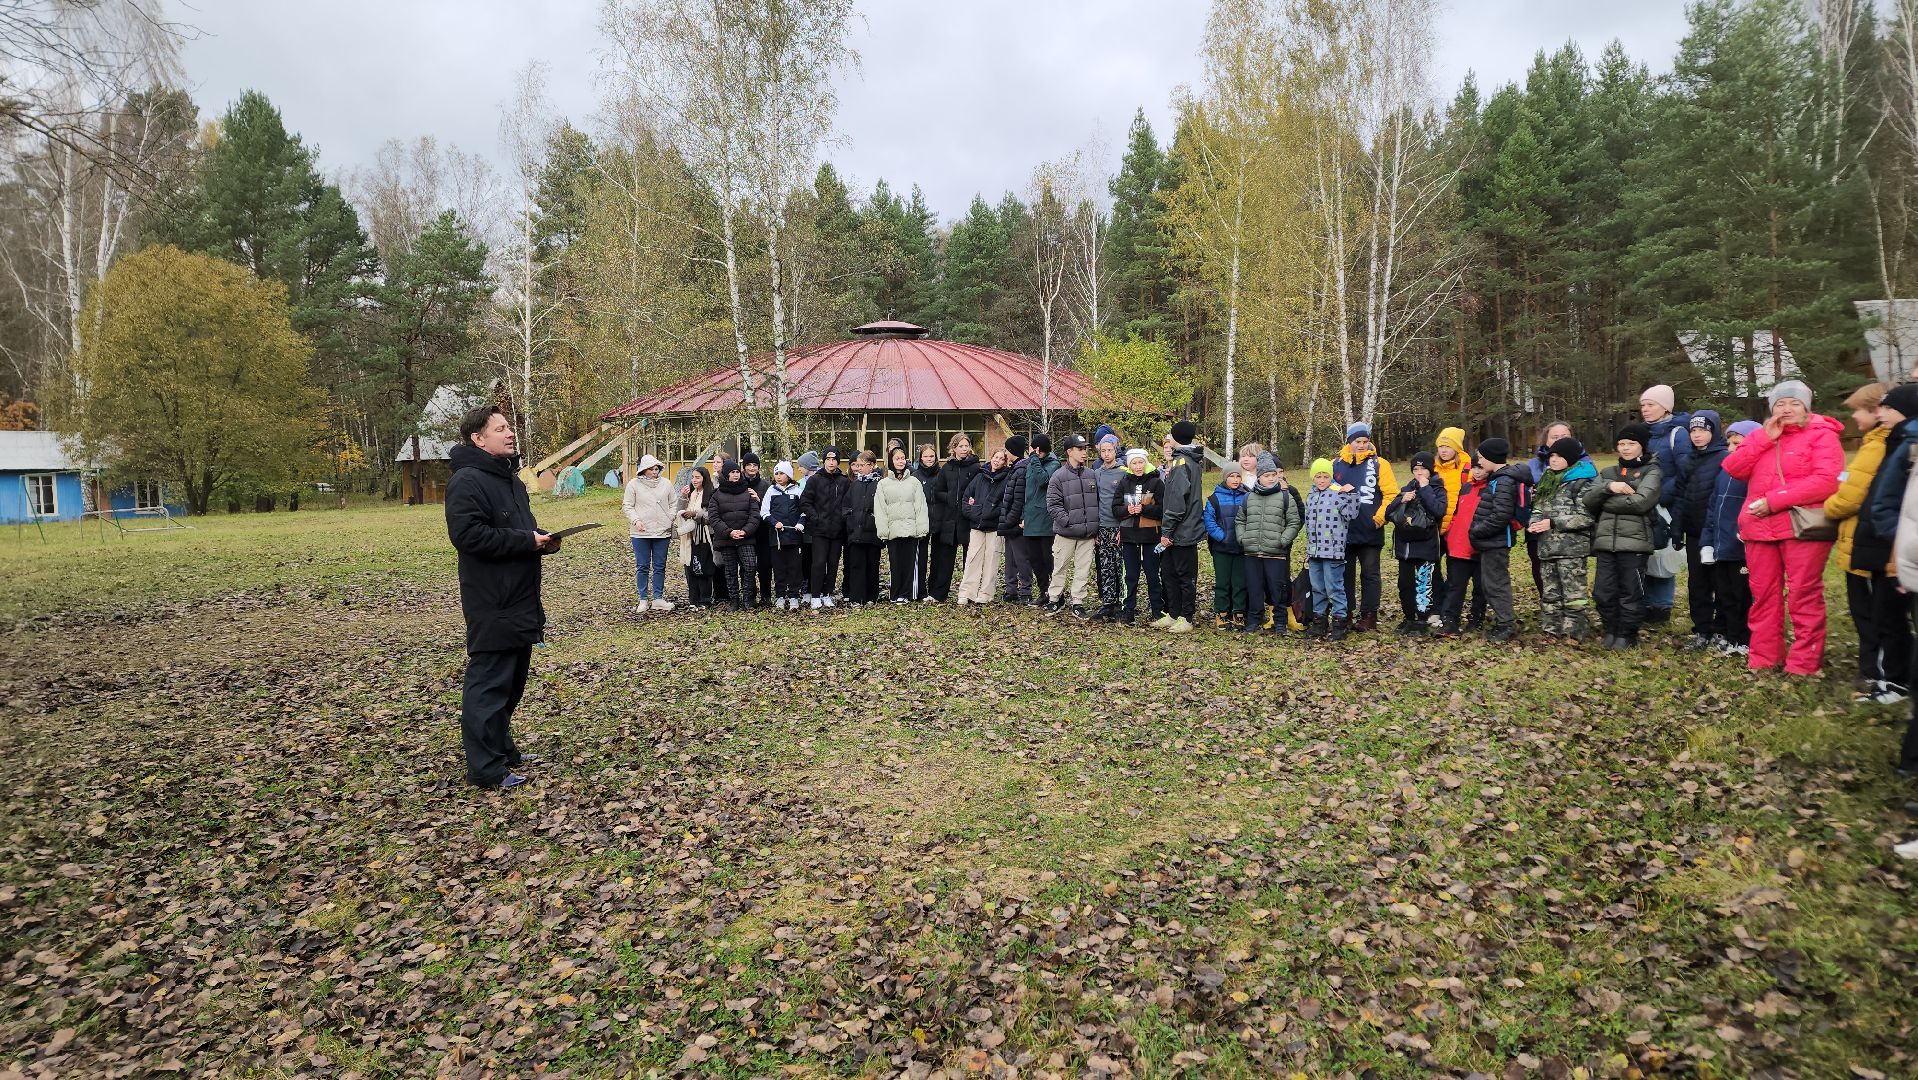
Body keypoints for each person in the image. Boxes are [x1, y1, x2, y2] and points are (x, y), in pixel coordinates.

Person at [446, 405, 557, 791]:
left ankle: (502, 748)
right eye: (501, 429)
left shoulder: (511, 479)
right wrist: (527, 541)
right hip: (492, 599)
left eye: (510, 428)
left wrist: (541, 540)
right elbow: (468, 536)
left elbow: (518, 529)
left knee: (512, 682)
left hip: (521, 594)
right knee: (490, 683)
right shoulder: (467, 481)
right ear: (478, 439)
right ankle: (485, 768)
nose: (510, 434)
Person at [1722, 380, 1845, 676]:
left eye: (1794, 403)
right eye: (1780, 404)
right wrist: (1764, 439)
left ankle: (1803, 663)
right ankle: (1765, 657)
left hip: (1800, 527)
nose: (1787, 409)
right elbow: (1733, 468)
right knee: (1763, 595)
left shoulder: (1822, 435)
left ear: (1806, 407)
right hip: (1759, 527)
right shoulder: (1762, 436)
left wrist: (1774, 500)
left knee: (1803, 593)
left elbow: (1827, 480)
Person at [1825, 383, 1908, 702]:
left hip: (1871, 545)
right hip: (1859, 542)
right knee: (1869, 612)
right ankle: (1875, 672)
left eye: (1858, 410)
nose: (1854, 418)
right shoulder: (1874, 443)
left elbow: (1851, 496)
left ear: (1876, 411)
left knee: (1877, 614)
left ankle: (1884, 675)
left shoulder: (1878, 447)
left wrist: (1829, 507)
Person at [1585, 423, 1663, 650]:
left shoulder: (1652, 471)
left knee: (1631, 590)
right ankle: (1611, 627)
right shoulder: (1608, 473)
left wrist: (1606, 500)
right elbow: (1589, 500)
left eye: (1631, 444)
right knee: (1603, 591)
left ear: (1642, 446)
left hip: (1635, 541)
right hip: (1605, 541)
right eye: (1621, 443)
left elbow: (1641, 502)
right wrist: (1611, 487)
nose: (1626, 448)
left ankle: (1627, 633)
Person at [1525, 437, 1598, 643]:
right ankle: (1551, 628)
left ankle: (1573, 632)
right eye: (1552, 456)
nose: (1554, 460)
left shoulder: (1583, 482)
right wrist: (1535, 521)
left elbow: (1586, 517)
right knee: (1550, 591)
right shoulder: (1548, 478)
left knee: (1574, 593)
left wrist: (1553, 522)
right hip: (1547, 546)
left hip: (1572, 549)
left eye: (1559, 456)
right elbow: (1539, 506)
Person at [1701, 421, 1760, 657]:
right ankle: (1727, 633)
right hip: (1721, 545)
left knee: (1742, 595)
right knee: (1724, 593)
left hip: (1741, 547)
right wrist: (1707, 540)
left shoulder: (1755, 473)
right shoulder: (1724, 472)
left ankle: (1742, 639)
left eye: (1738, 443)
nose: (1731, 448)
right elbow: (1713, 509)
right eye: (1729, 443)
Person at [1332, 422, 1397, 632]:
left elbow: (1391, 495)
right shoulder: (1336, 464)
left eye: (1365, 441)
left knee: (1370, 574)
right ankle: (1347, 611)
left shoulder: (1379, 464)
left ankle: (1369, 614)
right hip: (1344, 532)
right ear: (1349, 442)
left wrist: (1379, 518)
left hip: (1370, 531)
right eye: (1357, 441)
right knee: (1345, 574)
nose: (1361, 445)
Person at [1675, 413, 1731, 650]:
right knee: (1697, 583)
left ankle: (1722, 629)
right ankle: (1702, 629)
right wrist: (1677, 527)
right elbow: (1680, 495)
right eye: (1693, 431)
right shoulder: (1687, 459)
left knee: (1721, 583)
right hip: (1695, 532)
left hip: (1719, 532)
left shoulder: (1725, 458)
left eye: (1703, 430)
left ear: (1714, 431)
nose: (1697, 435)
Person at [1639, 384, 1693, 626]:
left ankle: (1661, 605)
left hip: (1666, 503)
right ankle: (1645, 601)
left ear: (1665, 407)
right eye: (1643, 405)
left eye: (1651, 405)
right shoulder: (1642, 433)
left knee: (1663, 552)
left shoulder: (1678, 433)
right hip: (1642, 502)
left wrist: (1660, 494)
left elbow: (1685, 471)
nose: (1645, 409)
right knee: (1646, 551)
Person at [1467, 438, 1528, 642]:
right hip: (1491, 541)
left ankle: (1506, 624)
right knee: (1490, 582)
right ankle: (1502, 620)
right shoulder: (1498, 478)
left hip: (1497, 542)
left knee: (1496, 583)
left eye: (1482, 458)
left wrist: (1477, 531)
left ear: (1492, 458)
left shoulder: (1503, 481)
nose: (1480, 462)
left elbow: (1501, 515)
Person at [1386, 451, 1449, 634]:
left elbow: (1439, 510)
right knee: (1405, 584)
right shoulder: (1408, 487)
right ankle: (1409, 617)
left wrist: (1425, 488)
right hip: (1405, 546)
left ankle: (1421, 620)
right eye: (1416, 469)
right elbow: (1389, 513)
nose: (1419, 472)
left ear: (1430, 470)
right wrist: (1401, 499)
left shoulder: (1437, 488)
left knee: (1424, 584)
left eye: (1423, 469)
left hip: (1426, 546)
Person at [1240, 452, 1303, 635]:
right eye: (1267, 475)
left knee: (1278, 588)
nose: (1271, 478)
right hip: (1252, 552)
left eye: (1273, 475)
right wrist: (1243, 538)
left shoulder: (1286, 497)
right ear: (1259, 477)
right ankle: (1253, 621)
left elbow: (1294, 522)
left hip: (1275, 552)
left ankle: (1281, 622)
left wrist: (1283, 540)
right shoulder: (1249, 497)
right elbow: (1240, 520)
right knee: (1254, 588)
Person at [1157, 421, 1207, 633]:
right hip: (1179, 529)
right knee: (1169, 572)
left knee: (1184, 575)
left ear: (1177, 438)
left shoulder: (1182, 464)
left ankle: (1186, 617)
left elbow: (1177, 502)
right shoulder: (1186, 461)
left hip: (1182, 530)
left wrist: (1167, 531)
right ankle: (1173, 613)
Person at [1304, 458, 1361, 641]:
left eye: (1325, 476)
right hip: (1315, 551)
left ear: (1331, 477)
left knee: (1334, 588)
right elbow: (1308, 525)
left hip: (1333, 551)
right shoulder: (1311, 497)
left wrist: (1352, 494)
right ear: (1313, 478)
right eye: (1318, 477)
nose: (1321, 480)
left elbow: (1352, 514)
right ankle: (1319, 622)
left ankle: (1340, 623)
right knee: (1317, 588)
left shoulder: (1339, 494)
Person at [1044, 433, 1100, 619]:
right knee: (1060, 567)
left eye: (1085, 449)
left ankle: (1078, 602)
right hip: (1066, 534)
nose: (1084, 453)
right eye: (1080, 449)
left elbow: (1098, 502)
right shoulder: (1058, 476)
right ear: (1070, 451)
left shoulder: (1092, 474)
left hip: (1087, 535)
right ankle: (1054, 599)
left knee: (1083, 570)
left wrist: (1093, 526)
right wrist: (1068, 521)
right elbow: (1053, 504)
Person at [1526, 421, 1580, 596]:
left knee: (1569, 570)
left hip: (1569, 526)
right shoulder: (1533, 465)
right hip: (1538, 522)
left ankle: (1570, 606)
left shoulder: (1583, 463)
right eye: (1554, 437)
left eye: (1563, 436)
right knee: (1539, 563)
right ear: (1546, 440)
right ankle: (1547, 601)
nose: (1558, 440)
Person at [1436, 461, 1488, 638]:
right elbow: (1456, 513)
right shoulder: (1465, 488)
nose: (1477, 471)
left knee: (1481, 586)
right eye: (1475, 467)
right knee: (1455, 585)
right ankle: (1450, 621)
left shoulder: (1493, 488)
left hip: (1481, 546)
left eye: (1481, 467)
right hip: (1459, 545)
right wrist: (1451, 533)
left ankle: (1476, 618)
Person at [1114, 448, 1166, 626]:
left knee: (1153, 575)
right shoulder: (1123, 483)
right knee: (1130, 576)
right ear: (1129, 465)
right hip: (1129, 537)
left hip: (1151, 537)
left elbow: (1162, 509)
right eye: (1134, 463)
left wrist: (1144, 509)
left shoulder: (1156, 483)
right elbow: (1115, 508)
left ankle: (1157, 610)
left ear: (1146, 462)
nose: (1138, 466)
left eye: (1140, 462)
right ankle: (1128, 609)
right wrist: (1127, 510)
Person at [621, 453, 678, 613]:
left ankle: (658, 598)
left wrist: (670, 517)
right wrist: (636, 520)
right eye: (652, 469)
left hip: (662, 531)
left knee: (660, 565)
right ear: (644, 470)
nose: (655, 471)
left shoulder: (666, 484)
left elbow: (674, 502)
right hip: (641, 533)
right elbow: (627, 505)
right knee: (642, 566)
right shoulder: (633, 485)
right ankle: (643, 599)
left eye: (657, 468)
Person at [927, 435, 980, 604]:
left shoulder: (976, 467)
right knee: (945, 560)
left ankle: (968, 593)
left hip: (968, 518)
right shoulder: (947, 468)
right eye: (961, 446)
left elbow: (980, 489)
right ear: (954, 448)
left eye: (967, 445)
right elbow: (938, 491)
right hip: (949, 520)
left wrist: (973, 499)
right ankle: (939, 594)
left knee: (969, 558)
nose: (964, 448)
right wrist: (950, 497)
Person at [876, 445, 930, 602]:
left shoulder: (914, 482)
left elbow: (920, 507)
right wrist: (883, 531)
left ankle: (906, 594)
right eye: (897, 458)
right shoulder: (883, 484)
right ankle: (895, 593)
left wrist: (921, 530)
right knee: (895, 564)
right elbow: (880, 509)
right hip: (893, 531)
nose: (900, 461)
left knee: (909, 564)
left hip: (910, 529)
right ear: (891, 461)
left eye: (902, 458)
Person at [958, 449, 1010, 609]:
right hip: (977, 525)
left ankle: (986, 593)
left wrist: (990, 513)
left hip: (994, 527)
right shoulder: (980, 476)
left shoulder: (1006, 479)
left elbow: (1005, 504)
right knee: (972, 559)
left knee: (991, 561)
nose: (998, 460)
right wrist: (975, 512)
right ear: (991, 458)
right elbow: (966, 499)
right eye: (996, 457)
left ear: (1004, 462)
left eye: (1001, 459)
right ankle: (967, 592)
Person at [798, 446, 849, 609]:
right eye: (828, 459)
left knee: (833, 564)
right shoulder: (815, 480)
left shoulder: (844, 481)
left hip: (837, 531)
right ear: (824, 461)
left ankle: (827, 594)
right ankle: (815, 595)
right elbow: (805, 502)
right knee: (818, 563)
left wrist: (843, 519)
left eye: (834, 460)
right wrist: (815, 518)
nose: (831, 462)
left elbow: (848, 504)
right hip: (819, 530)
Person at [710, 459, 762, 611]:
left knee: (750, 566)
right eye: (732, 472)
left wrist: (745, 531)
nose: (735, 475)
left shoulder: (748, 492)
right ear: (726, 474)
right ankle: (734, 600)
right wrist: (729, 532)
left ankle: (748, 599)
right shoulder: (717, 495)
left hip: (746, 538)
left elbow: (754, 515)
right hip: (727, 539)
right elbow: (714, 517)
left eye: (737, 472)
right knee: (730, 570)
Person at [1204, 465, 1250, 629]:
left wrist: (1243, 538)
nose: (1235, 480)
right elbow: (1209, 521)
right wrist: (1222, 537)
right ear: (1225, 478)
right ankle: (1221, 612)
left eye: (1238, 476)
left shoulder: (1247, 496)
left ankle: (1238, 612)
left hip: (1240, 547)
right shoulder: (1214, 498)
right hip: (1221, 548)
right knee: (1222, 581)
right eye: (1232, 476)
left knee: (1239, 581)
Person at [1091, 433, 1128, 621]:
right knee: (1105, 566)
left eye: (1109, 450)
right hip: (1102, 527)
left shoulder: (1123, 472)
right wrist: (1095, 529)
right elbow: (1094, 502)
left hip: (1119, 527)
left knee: (1120, 566)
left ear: (1116, 450)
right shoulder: (1096, 474)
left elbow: (1127, 501)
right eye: (1103, 451)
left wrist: (1124, 526)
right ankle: (1108, 602)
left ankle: (1123, 602)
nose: (1106, 454)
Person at [761, 461, 807, 609]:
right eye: (776, 474)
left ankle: (794, 596)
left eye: (781, 473)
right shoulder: (771, 491)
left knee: (795, 568)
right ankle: (780, 595)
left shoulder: (797, 491)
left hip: (794, 537)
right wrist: (774, 522)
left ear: (789, 475)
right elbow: (764, 512)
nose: (779, 477)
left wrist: (801, 523)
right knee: (779, 568)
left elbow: (804, 511)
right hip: (777, 538)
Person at [995, 435, 1035, 604]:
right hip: (1010, 521)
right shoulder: (1015, 469)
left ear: (1012, 451)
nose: (1005, 452)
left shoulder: (1021, 470)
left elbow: (1019, 499)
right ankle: (1011, 589)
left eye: (1006, 449)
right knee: (1010, 558)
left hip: (1016, 521)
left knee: (1021, 558)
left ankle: (1025, 590)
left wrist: (1010, 519)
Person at [1021, 434, 1060, 603]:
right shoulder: (1031, 464)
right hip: (1030, 518)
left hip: (1045, 519)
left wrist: (1035, 460)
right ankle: (1044, 591)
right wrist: (1023, 515)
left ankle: (1056, 593)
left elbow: (1043, 480)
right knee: (1034, 558)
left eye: (1037, 451)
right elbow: (1027, 492)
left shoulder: (1054, 464)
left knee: (1047, 558)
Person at [842, 451, 883, 605]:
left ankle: (871, 596)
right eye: (856, 465)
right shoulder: (854, 485)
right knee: (856, 565)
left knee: (872, 565)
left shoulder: (880, 484)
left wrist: (874, 520)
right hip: (856, 533)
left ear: (871, 465)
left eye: (861, 465)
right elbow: (845, 506)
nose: (857, 468)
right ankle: (856, 597)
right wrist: (850, 521)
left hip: (873, 534)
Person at [674, 465, 715, 610]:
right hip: (688, 537)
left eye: (697, 477)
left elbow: (712, 516)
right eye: (693, 477)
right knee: (690, 568)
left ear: (704, 478)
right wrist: (683, 498)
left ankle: (705, 599)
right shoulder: (691, 493)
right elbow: (679, 511)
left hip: (703, 536)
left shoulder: (711, 494)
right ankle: (693, 600)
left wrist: (696, 514)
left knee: (703, 568)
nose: (694, 480)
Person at [740, 452, 774, 606]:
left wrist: (759, 500)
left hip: (763, 531)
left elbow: (771, 508)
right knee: (746, 566)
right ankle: (750, 595)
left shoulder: (766, 485)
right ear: (744, 467)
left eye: (755, 465)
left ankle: (766, 596)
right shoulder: (739, 483)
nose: (752, 468)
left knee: (765, 565)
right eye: (749, 465)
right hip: (745, 530)